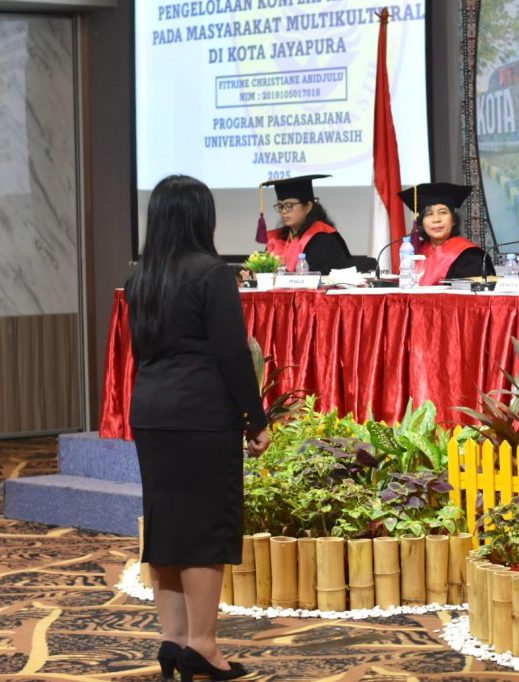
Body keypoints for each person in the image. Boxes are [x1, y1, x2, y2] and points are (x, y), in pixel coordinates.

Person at [126, 175, 269, 681]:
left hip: (151, 413)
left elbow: (140, 351)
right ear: (199, 218)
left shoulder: (143, 276)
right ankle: (205, 646)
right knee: (206, 531)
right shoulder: (211, 273)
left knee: (166, 528)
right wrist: (256, 418)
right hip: (202, 416)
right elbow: (233, 355)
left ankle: (174, 640)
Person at [398, 182, 494, 284]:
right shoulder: (417, 253)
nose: (436, 219)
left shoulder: (469, 256)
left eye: (443, 212)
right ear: (421, 222)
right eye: (429, 214)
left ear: (453, 220)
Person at [264, 174, 352, 275]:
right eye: (280, 206)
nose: (283, 211)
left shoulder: (323, 239)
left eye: (289, 205)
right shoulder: (277, 239)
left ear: (308, 207)